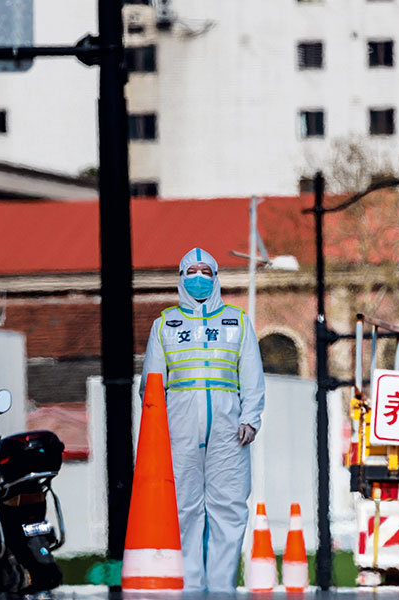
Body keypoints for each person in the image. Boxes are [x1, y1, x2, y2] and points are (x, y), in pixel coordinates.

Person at [139, 247, 265, 591]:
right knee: (182, 508)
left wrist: (250, 418)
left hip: (229, 426)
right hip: (179, 425)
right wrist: (156, 428)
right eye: (191, 272)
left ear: (216, 277)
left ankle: (222, 587)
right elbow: (151, 385)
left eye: (206, 271)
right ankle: (190, 586)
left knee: (230, 506)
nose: (199, 278)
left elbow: (251, 374)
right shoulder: (165, 324)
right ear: (181, 279)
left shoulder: (237, 321)